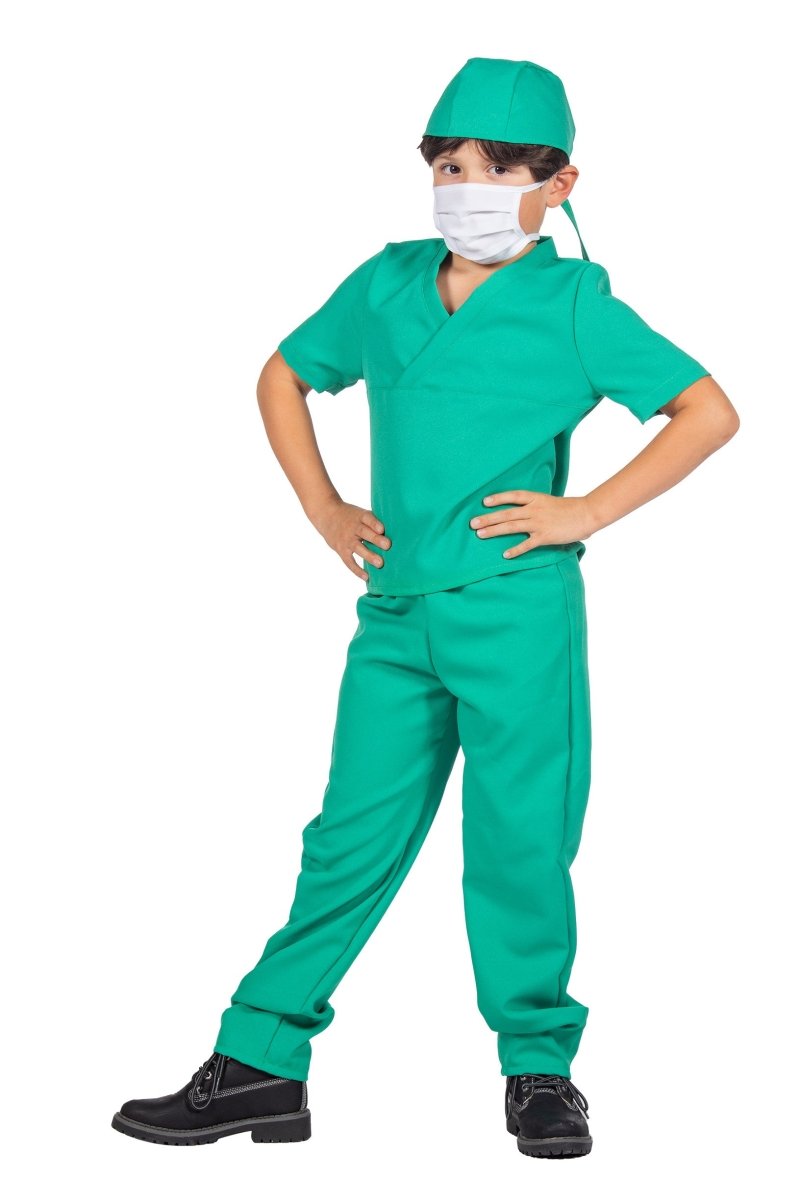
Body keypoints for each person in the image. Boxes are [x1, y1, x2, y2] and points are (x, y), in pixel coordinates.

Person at [111, 56, 739, 1158]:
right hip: (396, 618)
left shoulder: (575, 305)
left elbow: (705, 410)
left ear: (558, 184)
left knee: (518, 843)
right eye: (449, 167)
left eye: (496, 170)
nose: (467, 189)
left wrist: (585, 510)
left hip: (516, 613)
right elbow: (281, 374)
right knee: (345, 840)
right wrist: (323, 507)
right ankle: (260, 1061)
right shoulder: (386, 284)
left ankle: (538, 1068)